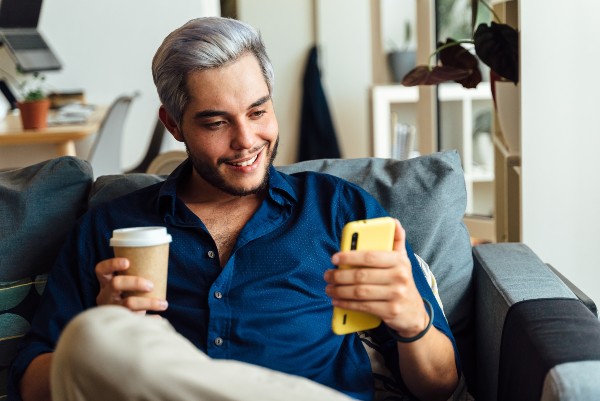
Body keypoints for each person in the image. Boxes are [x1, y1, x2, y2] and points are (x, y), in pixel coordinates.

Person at [9, 17, 460, 401]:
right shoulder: (112, 226)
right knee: (90, 338)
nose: (246, 140)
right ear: (174, 125)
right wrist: (109, 326)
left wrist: (412, 322)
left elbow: (440, 386)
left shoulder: (337, 209)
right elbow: (32, 381)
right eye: (216, 122)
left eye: (258, 112)